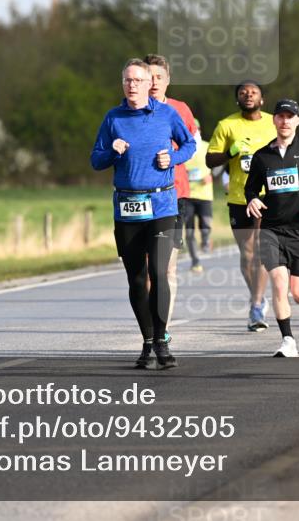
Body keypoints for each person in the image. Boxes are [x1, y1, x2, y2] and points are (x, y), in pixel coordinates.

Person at [90, 58, 195, 368]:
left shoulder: (166, 114)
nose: (132, 85)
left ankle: (162, 341)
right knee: (136, 279)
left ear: (150, 84)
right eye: (127, 80)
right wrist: (112, 151)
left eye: (138, 80)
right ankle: (147, 341)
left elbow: (190, 144)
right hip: (128, 207)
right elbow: (96, 160)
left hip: (162, 204)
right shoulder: (113, 118)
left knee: (158, 273)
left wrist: (173, 158)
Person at [245, 99, 299, 357]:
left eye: (290, 117)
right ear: (274, 120)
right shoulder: (262, 156)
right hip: (271, 229)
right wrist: (252, 199)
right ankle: (288, 340)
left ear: (297, 121)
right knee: (279, 285)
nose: (284, 121)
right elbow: (250, 188)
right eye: (280, 116)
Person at [206, 80, 278, 331]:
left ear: (262, 99)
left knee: (260, 250)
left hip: (268, 195)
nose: (248, 95)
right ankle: (258, 295)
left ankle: (256, 306)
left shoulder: (273, 122)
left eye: (253, 92)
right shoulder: (227, 125)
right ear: (237, 99)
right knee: (247, 254)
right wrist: (230, 153)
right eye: (243, 93)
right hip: (239, 197)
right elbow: (209, 160)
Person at [144, 54, 198, 336]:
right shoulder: (130, 110)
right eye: (149, 77)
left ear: (168, 80)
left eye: (159, 77)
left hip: (174, 196)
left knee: (167, 267)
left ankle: (161, 328)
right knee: (147, 270)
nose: (154, 83)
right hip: (141, 198)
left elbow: (192, 147)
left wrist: (172, 158)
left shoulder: (180, 109)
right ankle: (149, 324)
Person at [182, 121, 214, 272]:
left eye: (193, 129)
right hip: (186, 194)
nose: (191, 132)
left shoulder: (207, 146)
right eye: (188, 130)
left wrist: (212, 175)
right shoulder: (181, 148)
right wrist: (182, 174)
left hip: (204, 194)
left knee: (206, 226)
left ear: (199, 130)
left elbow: (219, 164)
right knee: (189, 231)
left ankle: (206, 240)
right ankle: (195, 261)